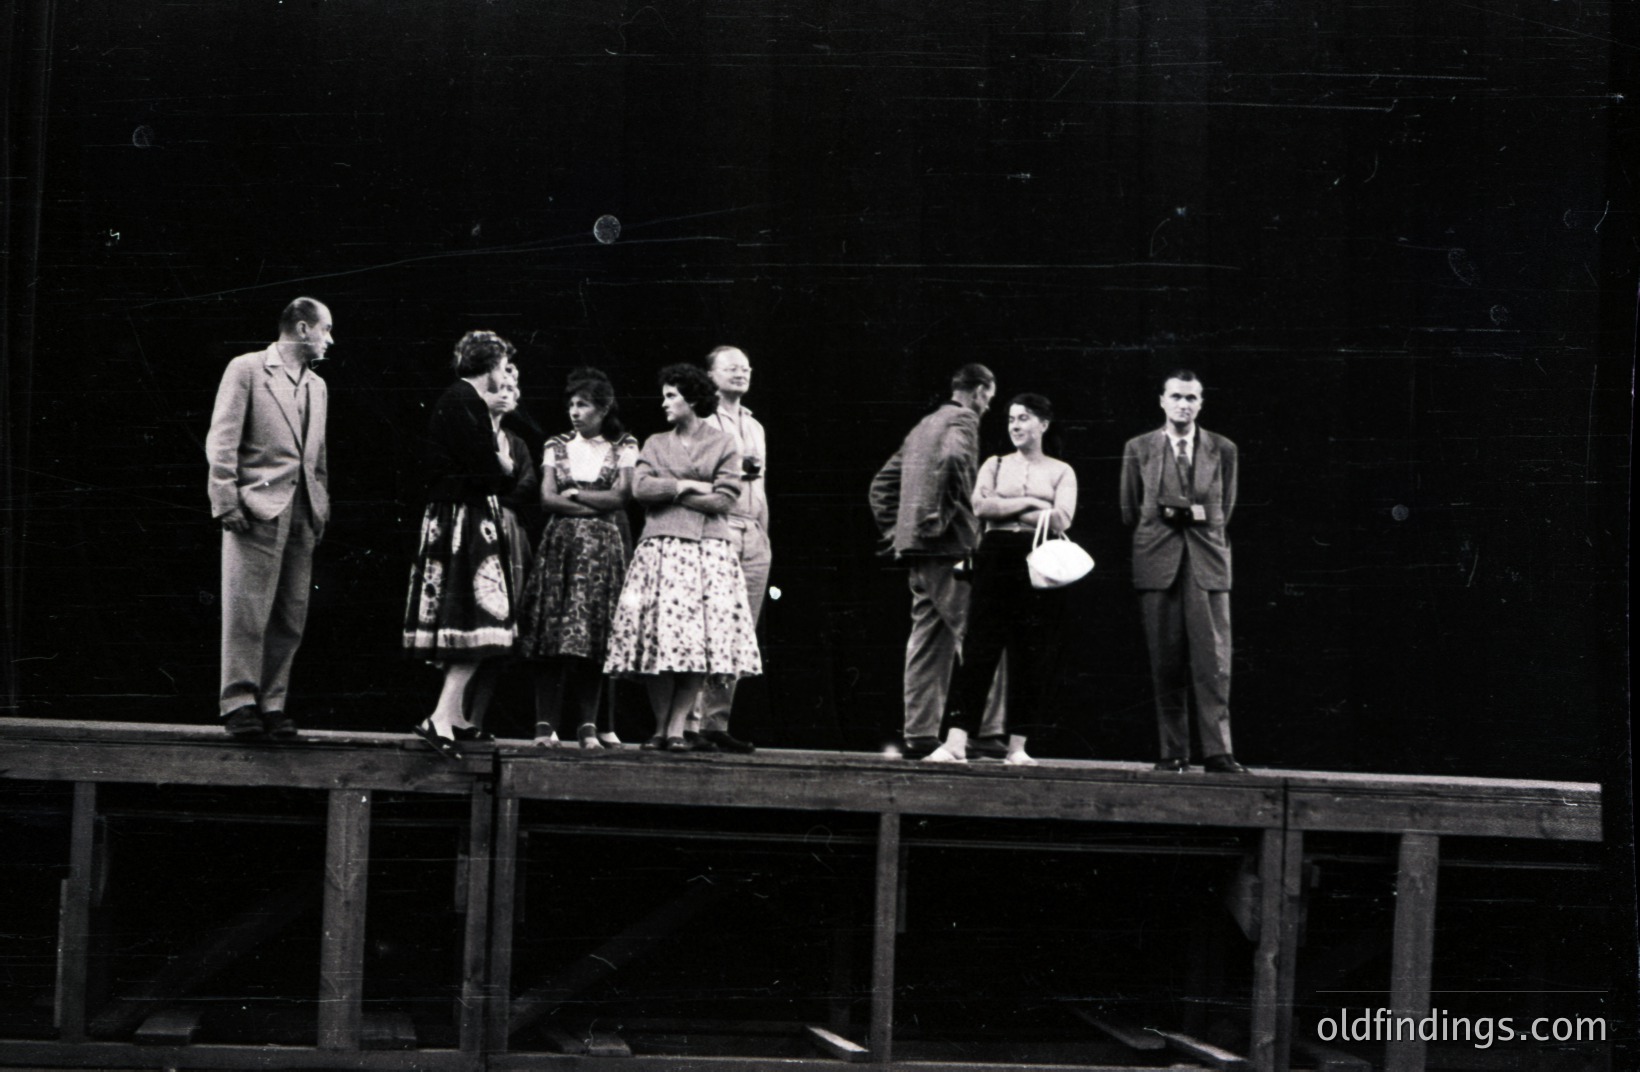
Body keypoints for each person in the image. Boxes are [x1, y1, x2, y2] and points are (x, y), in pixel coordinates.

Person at [603, 364, 762, 750]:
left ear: (692, 399)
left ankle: (677, 727)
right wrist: (688, 484)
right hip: (659, 547)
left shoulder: (724, 444)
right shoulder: (656, 442)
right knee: (660, 640)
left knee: (696, 643)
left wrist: (671, 491)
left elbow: (726, 498)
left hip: (708, 550)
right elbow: (640, 488)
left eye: (671, 395)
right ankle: (661, 727)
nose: (664, 403)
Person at [206, 297, 334, 740]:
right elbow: (222, 439)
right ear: (302, 328)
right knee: (246, 608)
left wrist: (321, 507)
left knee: (290, 612)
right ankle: (239, 701)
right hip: (257, 506)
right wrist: (225, 500)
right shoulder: (246, 369)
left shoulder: (317, 387)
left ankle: (272, 702)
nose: (329, 340)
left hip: (302, 510)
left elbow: (317, 456)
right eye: (326, 330)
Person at [926, 394, 1078, 765]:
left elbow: (1062, 520)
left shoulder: (1061, 471)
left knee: (1031, 653)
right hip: (995, 558)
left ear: (1043, 424)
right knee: (979, 649)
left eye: (1023, 418)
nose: (1014, 425)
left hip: (1037, 561)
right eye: (1011, 418)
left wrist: (1010, 505)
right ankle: (956, 741)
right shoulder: (994, 463)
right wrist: (1034, 504)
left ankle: (1018, 747)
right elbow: (982, 507)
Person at [401, 331, 524, 759]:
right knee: (474, 624)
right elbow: (487, 469)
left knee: (472, 627)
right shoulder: (463, 401)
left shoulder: (463, 401)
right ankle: (440, 717)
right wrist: (503, 464)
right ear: (490, 366)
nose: (505, 374)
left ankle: (449, 716)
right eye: (503, 366)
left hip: (463, 515)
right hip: (464, 519)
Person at [1120, 370, 1248, 774]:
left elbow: (1222, 512)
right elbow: (1130, 508)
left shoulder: (1223, 449)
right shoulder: (1138, 448)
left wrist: (1181, 513)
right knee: (1166, 661)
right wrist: (1176, 518)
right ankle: (1173, 750)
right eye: (1176, 396)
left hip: (1206, 563)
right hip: (1158, 562)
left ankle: (1218, 751)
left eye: (1192, 398)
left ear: (1201, 403)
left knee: (1214, 663)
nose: (1184, 404)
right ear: (1162, 400)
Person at [867, 363, 996, 759]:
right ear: (977, 392)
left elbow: (880, 486)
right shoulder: (964, 420)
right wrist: (940, 519)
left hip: (919, 552)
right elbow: (956, 461)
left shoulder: (923, 425)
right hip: (950, 549)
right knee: (976, 636)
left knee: (927, 640)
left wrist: (899, 532)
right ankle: (985, 731)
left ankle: (921, 732)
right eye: (989, 397)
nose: (989, 406)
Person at [517, 368, 639, 749]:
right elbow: (547, 498)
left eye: (583, 404)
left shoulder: (624, 445)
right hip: (561, 547)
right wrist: (590, 504)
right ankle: (543, 724)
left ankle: (588, 724)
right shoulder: (556, 444)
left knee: (593, 637)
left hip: (603, 551)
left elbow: (621, 497)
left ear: (602, 409)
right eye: (571, 404)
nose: (574, 411)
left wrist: (575, 497)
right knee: (552, 634)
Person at [684, 345, 768, 754]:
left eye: (746, 367)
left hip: (753, 532)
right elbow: (692, 474)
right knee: (707, 625)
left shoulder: (755, 426)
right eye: (731, 367)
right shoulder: (701, 419)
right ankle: (690, 723)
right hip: (717, 527)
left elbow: (761, 487)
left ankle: (716, 723)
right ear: (711, 375)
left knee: (739, 633)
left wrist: (763, 535)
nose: (741, 372)